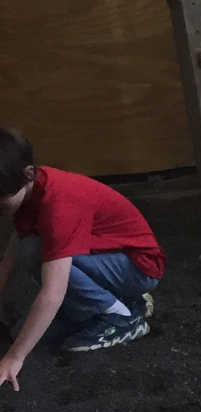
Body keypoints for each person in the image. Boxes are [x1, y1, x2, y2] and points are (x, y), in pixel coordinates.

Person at [1, 127, 163, 390]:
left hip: (138, 268)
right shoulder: (30, 192)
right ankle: (120, 303)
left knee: (43, 254)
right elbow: (11, 254)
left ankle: (123, 318)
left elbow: (53, 291)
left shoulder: (59, 204)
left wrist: (14, 358)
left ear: (28, 174)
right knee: (21, 329)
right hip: (101, 259)